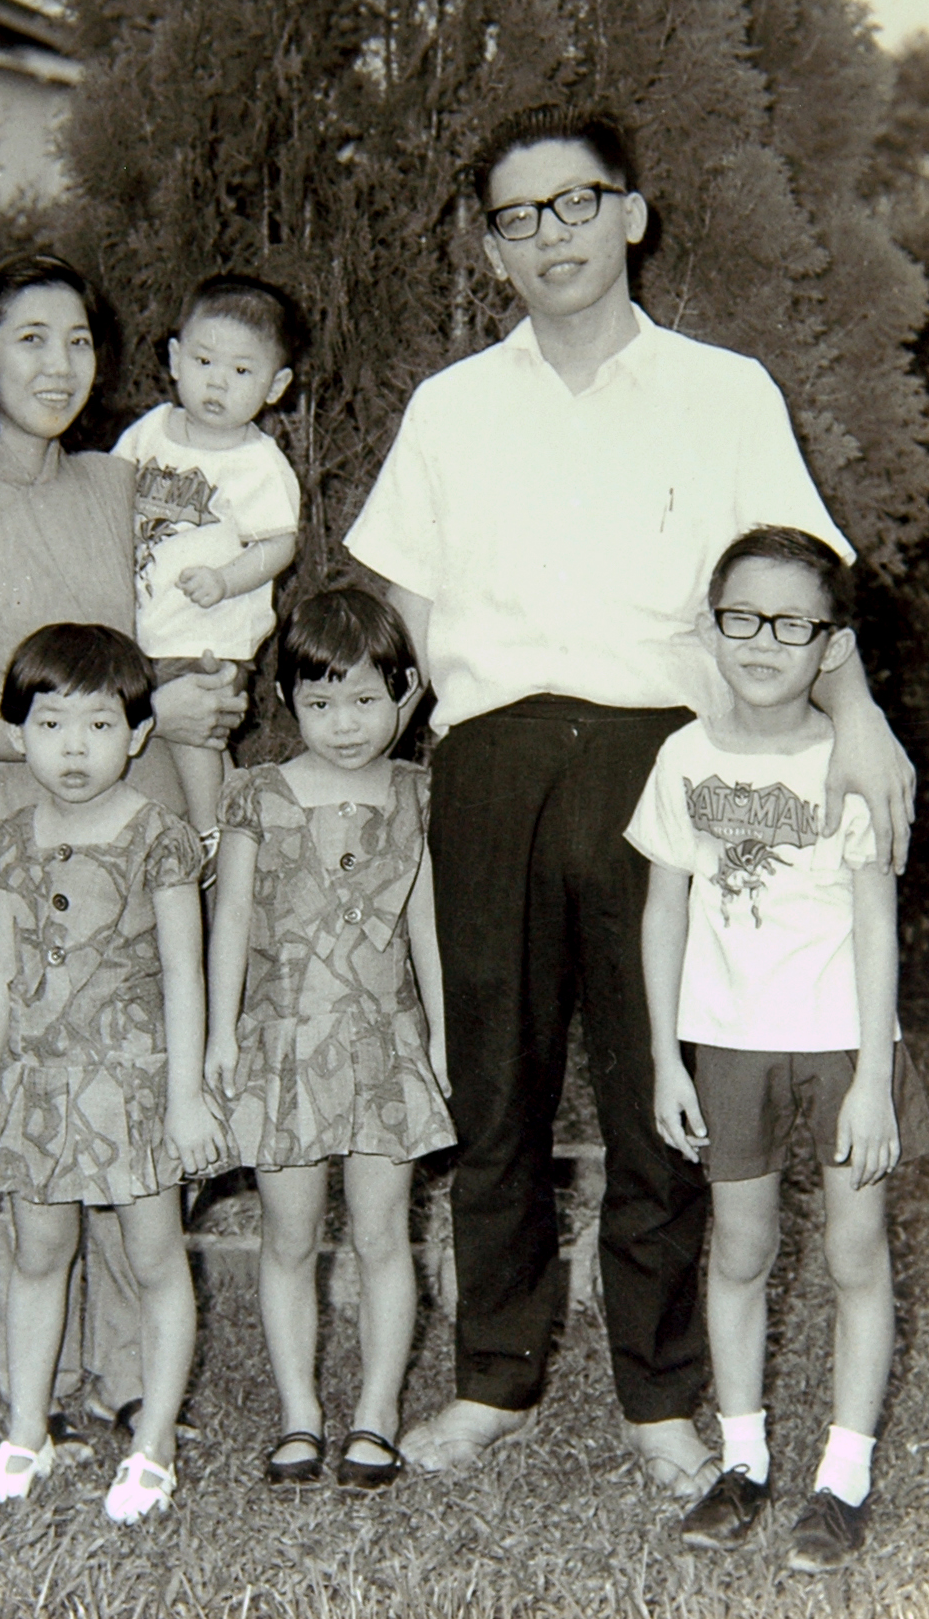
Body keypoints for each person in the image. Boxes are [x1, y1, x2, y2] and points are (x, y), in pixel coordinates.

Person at [344, 104, 915, 1488]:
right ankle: (492, 1376)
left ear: (630, 215)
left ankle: (660, 1397)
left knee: (660, 1075)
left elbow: (800, 582)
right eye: (516, 217)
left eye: (575, 203)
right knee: (496, 1078)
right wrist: (464, 720)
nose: (550, 236)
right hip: (493, 763)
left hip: (663, 759)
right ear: (491, 249)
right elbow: (404, 587)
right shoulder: (451, 406)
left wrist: (859, 720)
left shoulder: (723, 392)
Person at [0, 250, 246, 1437]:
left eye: (79, 339)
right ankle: (33, 1393)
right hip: (42, 844)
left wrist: (200, 692)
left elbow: (206, 593)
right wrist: (145, 712)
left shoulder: (124, 482)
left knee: (145, 1084)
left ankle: (133, 1379)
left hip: (156, 819)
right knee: (47, 1090)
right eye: (30, 338)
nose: (59, 364)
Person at [625, 528, 929, 1570]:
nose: (761, 641)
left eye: (791, 624)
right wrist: (665, 1057)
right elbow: (664, 910)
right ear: (709, 629)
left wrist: (873, 1079)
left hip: (840, 1043)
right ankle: (744, 1462)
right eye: (741, 617)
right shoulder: (683, 756)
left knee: (854, 1253)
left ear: (830, 646)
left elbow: (875, 923)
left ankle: (841, 1479)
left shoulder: (853, 758)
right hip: (730, 1045)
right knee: (740, 1250)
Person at [0, 623, 226, 1520]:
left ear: (140, 734)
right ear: (18, 734)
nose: (74, 748)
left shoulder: (159, 838)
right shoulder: (10, 843)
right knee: (39, 1254)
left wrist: (185, 1098)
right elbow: (0, 972)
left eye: (100, 725)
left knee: (153, 1258)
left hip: (133, 1086)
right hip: (40, 1085)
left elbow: (186, 973)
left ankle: (154, 1447)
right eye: (50, 724)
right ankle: (25, 1434)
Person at [205, 589, 455, 1488]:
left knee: (384, 1233)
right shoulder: (257, 795)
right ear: (287, 702)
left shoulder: (417, 795)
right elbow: (232, 923)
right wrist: (221, 1037)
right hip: (283, 1043)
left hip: (384, 1042)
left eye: (364, 700)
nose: (344, 724)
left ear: (406, 692)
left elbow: (425, 926)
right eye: (320, 703)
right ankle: (300, 1414)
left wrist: (441, 1036)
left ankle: (376, 1413)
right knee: (288, 1234)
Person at [113, 273, 302, 855]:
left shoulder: (257, 464)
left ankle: (210, 834)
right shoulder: (150, 430)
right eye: (203, 361)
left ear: (276, 386)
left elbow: (278, 546)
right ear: (175, 359)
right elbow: (109, 493)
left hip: (210, 636)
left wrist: (225, 580)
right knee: (185, 743)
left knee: (196, 735)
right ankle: (226, 827)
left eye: (242, 371)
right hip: (148, 628)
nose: (218, 381)